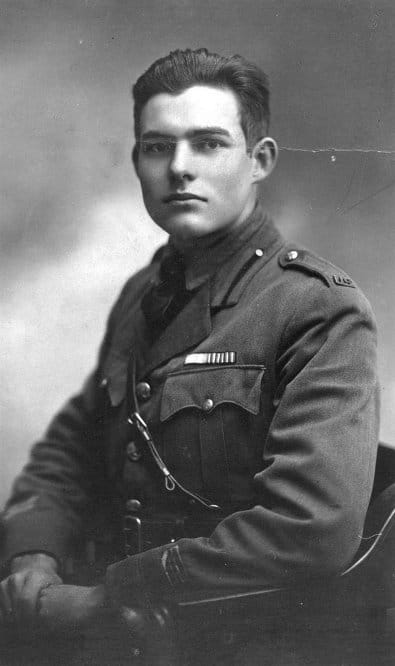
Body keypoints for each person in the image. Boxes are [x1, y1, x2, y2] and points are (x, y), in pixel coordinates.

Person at [0, 48, 379, 659]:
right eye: (157, 147)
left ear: (260, 161)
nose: (179, 168)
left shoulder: (314, 308)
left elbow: (312, 531)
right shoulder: (142, 294)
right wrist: (33, 557)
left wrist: (106, 596)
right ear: (137, 161)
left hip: (249, 645)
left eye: (208, 144)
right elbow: (70, 447)